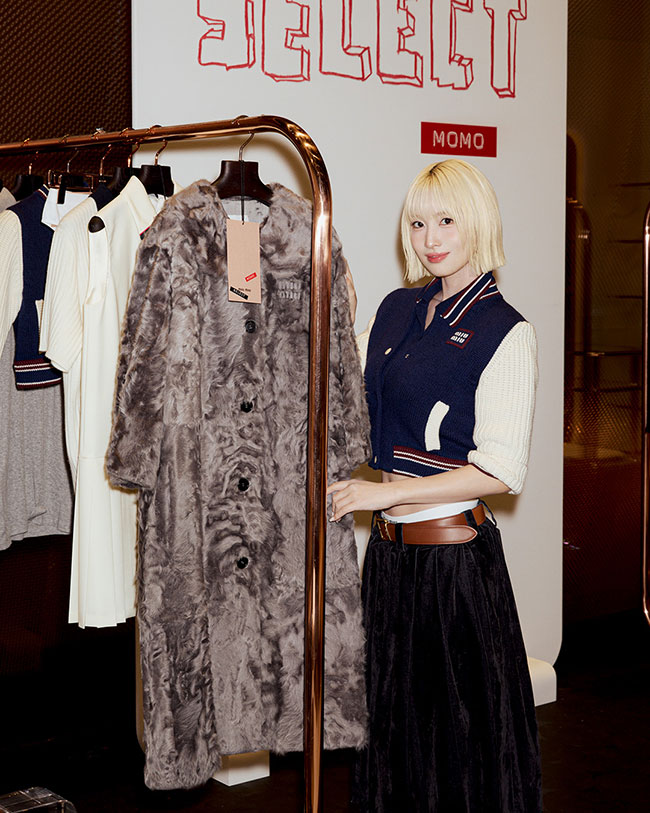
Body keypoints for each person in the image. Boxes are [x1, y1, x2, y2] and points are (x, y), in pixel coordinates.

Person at [328, 159, 542, 812]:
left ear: (477, 222)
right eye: (419, 223)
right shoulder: (398, 309)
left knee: (459, 749)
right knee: (393, 740)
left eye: (447, 220)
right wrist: (342, 313)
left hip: (454, 568)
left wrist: (383, 494)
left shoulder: (507, 331)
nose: (431, 238)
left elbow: (500, 472)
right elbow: (348, 385)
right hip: (389, 560)